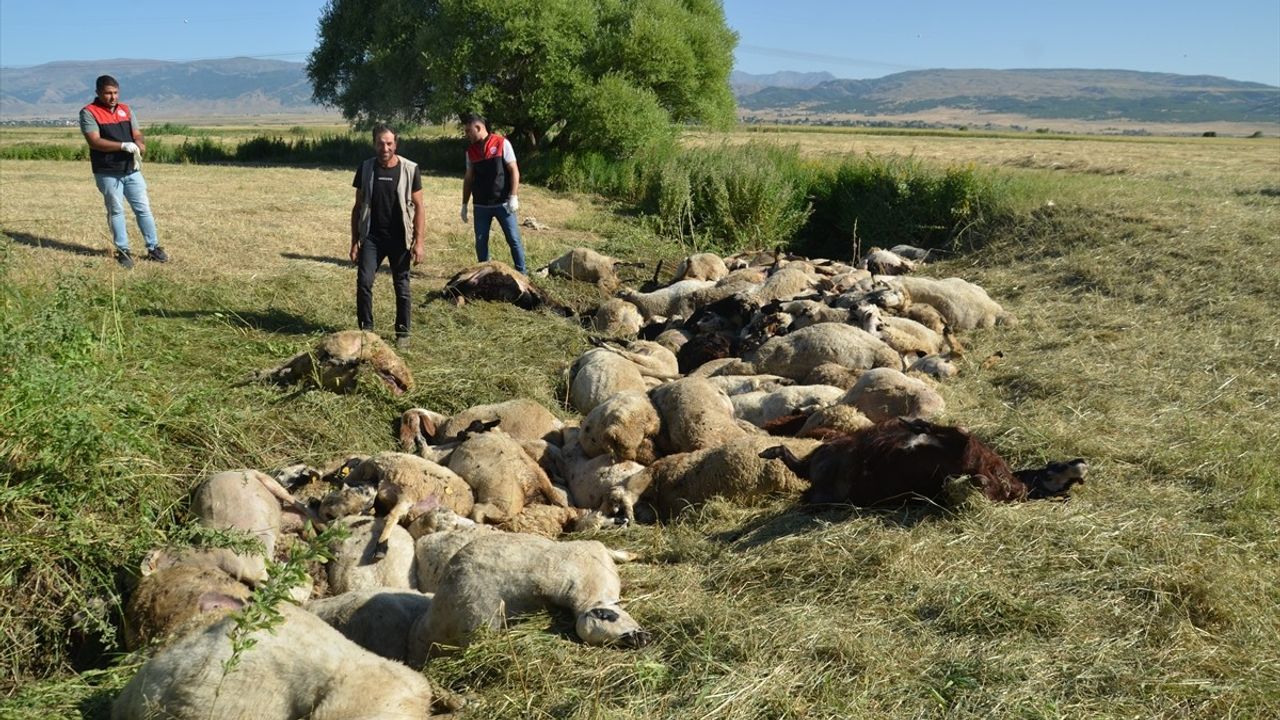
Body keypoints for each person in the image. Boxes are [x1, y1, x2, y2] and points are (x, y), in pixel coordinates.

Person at [80, 75, 167, 268]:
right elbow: (94, 141)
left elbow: (137, 133)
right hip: (107, 171)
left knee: (143, 209)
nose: (113, 97)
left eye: (115, 93)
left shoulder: (125, 109)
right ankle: (123, 250)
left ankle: (153, 248)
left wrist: (139, 143)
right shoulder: (89, 112)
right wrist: (122, 146)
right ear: (98, 93)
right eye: (108, 93)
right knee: (116, 210)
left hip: (132, 170)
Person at [351, 125, 425, 349]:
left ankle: (402, 332)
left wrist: (419, 241)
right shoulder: (365, 168)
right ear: (374, 143)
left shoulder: (410, 169)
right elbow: (357, 207)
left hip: (400, 238)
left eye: (389, 143)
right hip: (372, 238)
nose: (385, 147)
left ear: (396, 144)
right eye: (381, 143)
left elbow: (420, 207)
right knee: (364, 283)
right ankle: (367, 331)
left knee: (401, 286)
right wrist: (354, 240)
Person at [460, 114, 526, 274]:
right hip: (481, 205)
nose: (467, 135)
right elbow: (468, 178)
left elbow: (514, 170)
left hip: (503, 203)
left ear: (478, 128)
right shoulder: (470, 151)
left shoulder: (502, 143)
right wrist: (464, 204)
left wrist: (513, 196)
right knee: (481, 243)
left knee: (514, 239)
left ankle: (523, 273)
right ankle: (485, 274)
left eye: (469, 131)